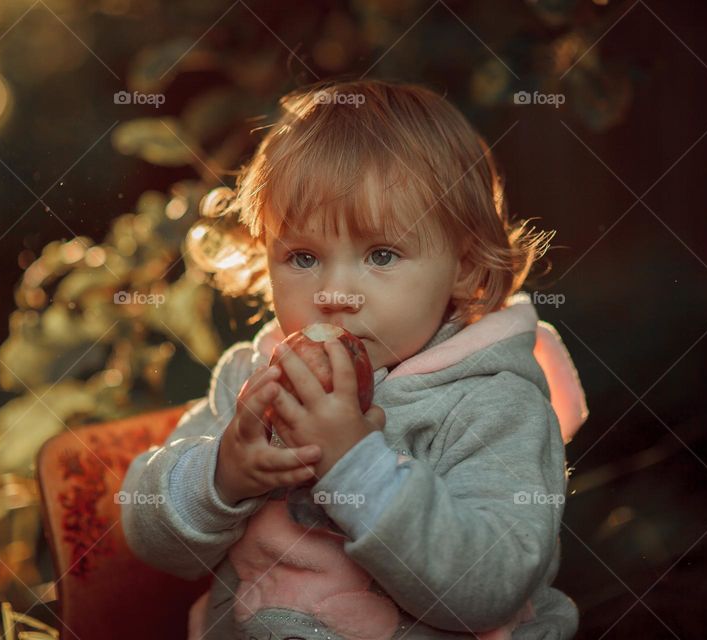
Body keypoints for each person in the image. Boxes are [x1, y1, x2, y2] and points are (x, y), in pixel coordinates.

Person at [120, 79, 589, 639]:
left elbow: (488, 586)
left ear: (464, 267)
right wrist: (221, 476)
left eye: (381, 254)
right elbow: (150, 535)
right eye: (303, 256)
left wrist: (356, 466)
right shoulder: (256, 379)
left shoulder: (492, 403)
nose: (335, 292)